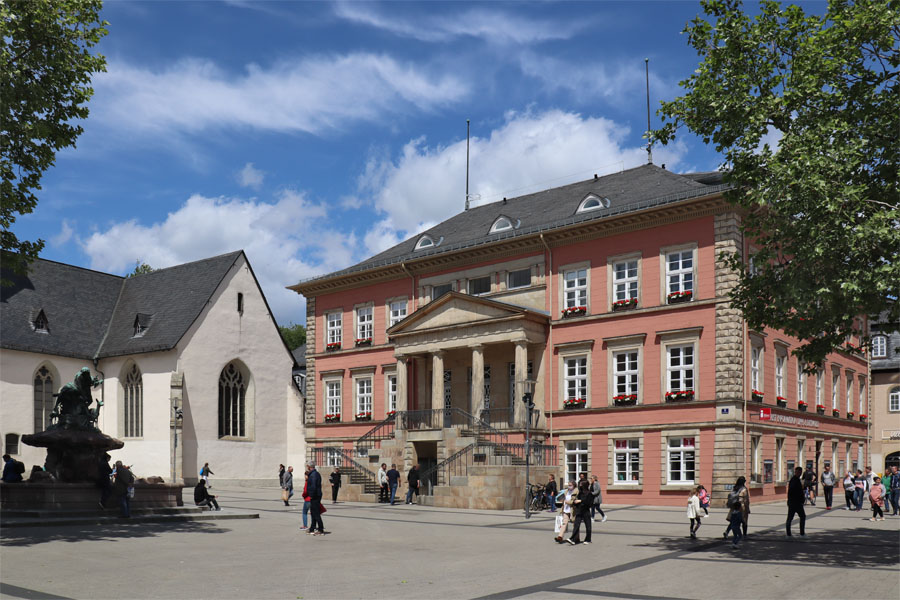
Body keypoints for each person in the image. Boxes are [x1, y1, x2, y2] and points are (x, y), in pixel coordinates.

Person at [568, 479, 594, 544]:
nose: (580, 485)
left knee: (588, 526)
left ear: (584, 485)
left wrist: (581, 501)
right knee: (576, 524)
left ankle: (588, 539)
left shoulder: (589, 493)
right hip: (579, 510)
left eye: (581, 484)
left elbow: (589, 503)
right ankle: (573, 539)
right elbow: (577, 499)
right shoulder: (580, 492)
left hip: (586, 511)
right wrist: (575, 502)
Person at [724, 476, 746, 548]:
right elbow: (744, 499)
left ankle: (727, 531)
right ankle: (743, 535)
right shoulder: (743, 489)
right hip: (740, 506)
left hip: (733, 506)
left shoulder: (735, 487)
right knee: (741, 520)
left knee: (732, 520)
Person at [786, 466, 806, 536]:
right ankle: (801, 534)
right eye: (797, 472)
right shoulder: (794, 480)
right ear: (795, 472)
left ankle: (789, 534)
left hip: (794, 502)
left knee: (791, 518)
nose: (799, 473)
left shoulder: (796, 479)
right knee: (801, 516)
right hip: (795, 502)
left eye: (800, 472)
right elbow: (793, 491)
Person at [306, 462, 325, 536]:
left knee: (316, 513)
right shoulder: (314, 473)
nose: (307, 467)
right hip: (316, 495)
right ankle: (312, 528)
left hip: (315, 496)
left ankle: (321, 529)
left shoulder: (313, 475)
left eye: (307, 466)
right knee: (313, 512)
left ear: (309, 466)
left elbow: (313, 486)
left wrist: (311, 495)